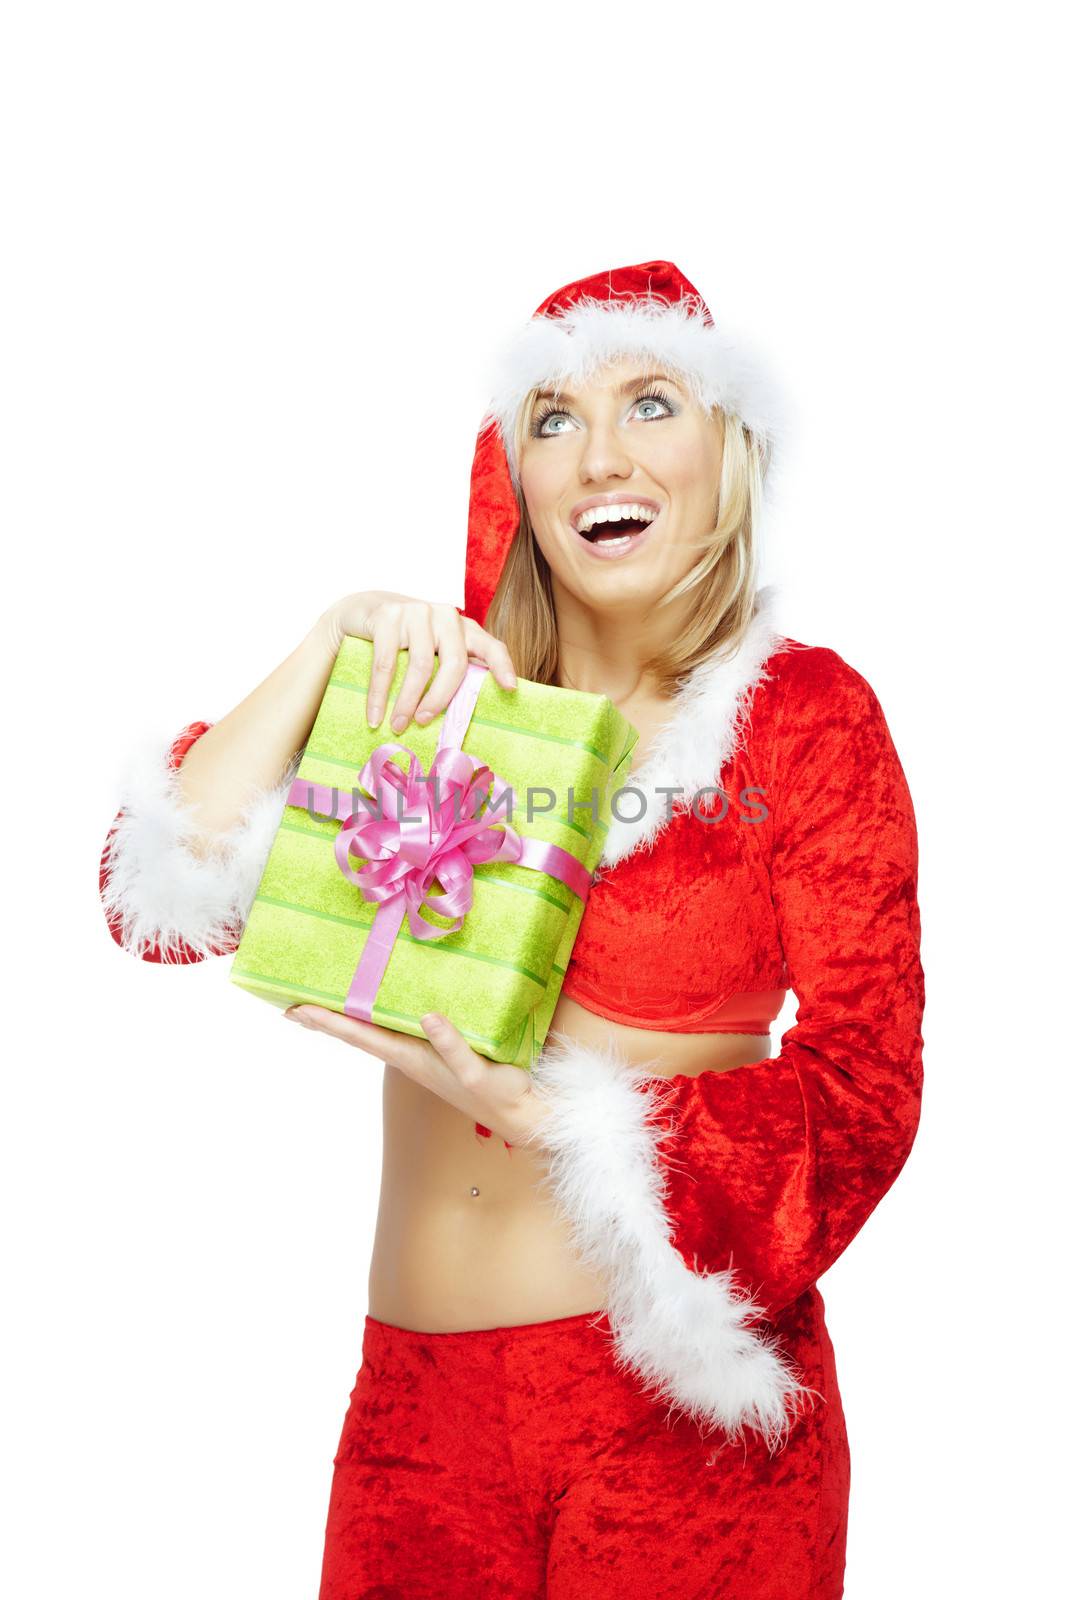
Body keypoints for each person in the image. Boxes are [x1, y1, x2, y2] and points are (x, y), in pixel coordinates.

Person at [98, 260, 925, 1599]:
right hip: (415, 1420)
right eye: (551, 418)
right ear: (512, 475)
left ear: (731, 446)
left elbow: (867, 1093)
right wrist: (332, 647)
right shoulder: (432, 706)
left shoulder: (803, 720)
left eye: (651, 402)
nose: (600, 452)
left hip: (674, 1430)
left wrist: (565, 1116)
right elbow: (157, 902)